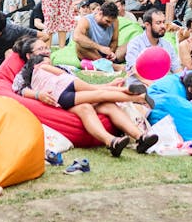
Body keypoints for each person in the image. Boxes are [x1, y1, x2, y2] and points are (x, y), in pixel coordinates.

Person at [16, 41, 158, 157]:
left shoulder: (59, 67)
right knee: (94, 99)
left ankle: (140, 137)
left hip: (72, 96)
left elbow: (84, 85)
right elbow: (19, 90)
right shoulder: (25, 72)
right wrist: (37, 95)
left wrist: (108, 84)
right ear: (29, 55)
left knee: (106, 103)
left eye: (47, 47)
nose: (47, 51)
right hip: (59, 103)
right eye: (41, 49)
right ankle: (133, 101)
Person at [124, 8, 181, 76]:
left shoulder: (167, 45)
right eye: (158, 23)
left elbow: (177, 69)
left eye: (163, 22)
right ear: (147, 25)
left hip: (160, 84)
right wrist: (150, 84)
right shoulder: (135, 43)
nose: (163, 26)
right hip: (140, 84)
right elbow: (133, 69)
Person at [71, 1, 124, 71]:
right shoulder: (86, 20)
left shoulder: (115, 21)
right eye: (107, 21)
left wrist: (111, 52)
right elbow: (77, 37)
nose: (109, 25)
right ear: (100, 13)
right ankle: (112, 66)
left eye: (111, 22)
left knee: (129, 45)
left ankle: (106, 64)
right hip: (92, 53)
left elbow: (114, 40)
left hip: (108, 53)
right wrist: (100, 48)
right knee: (79, 46)